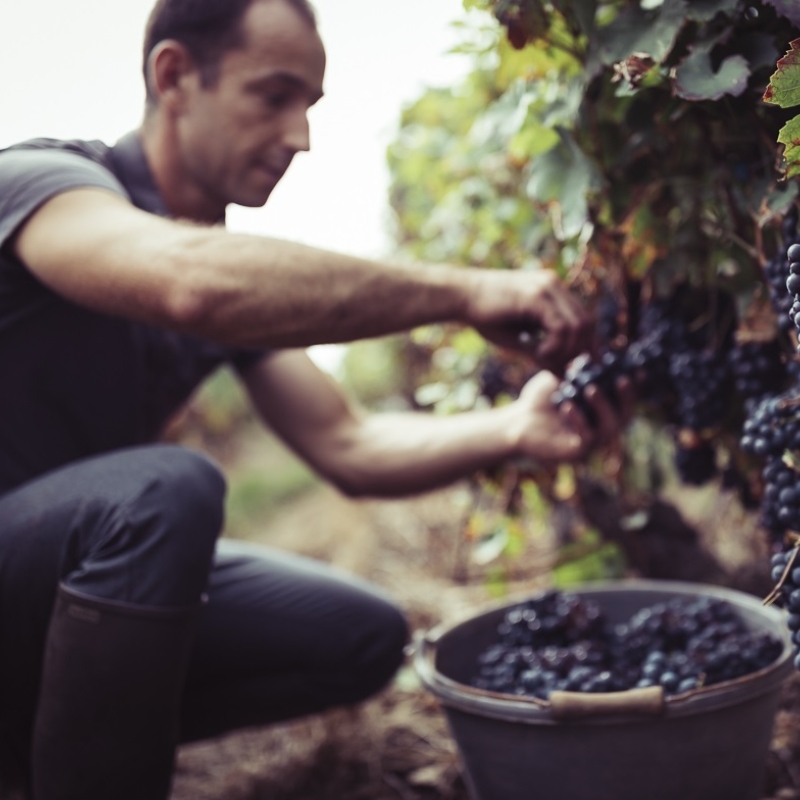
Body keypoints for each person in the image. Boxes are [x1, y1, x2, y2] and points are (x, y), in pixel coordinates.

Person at [0, 0, 628, 797]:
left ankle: (40, 740)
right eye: (274, 95)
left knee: (358, 635)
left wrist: (515, 426)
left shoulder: (222, 272)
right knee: (165, 493)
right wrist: (467, 290)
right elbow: (188, 282)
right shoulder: (46, 184)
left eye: (311, 106)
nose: (300, 137)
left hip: (53, 588)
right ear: (175, 76)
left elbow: (352, 447)